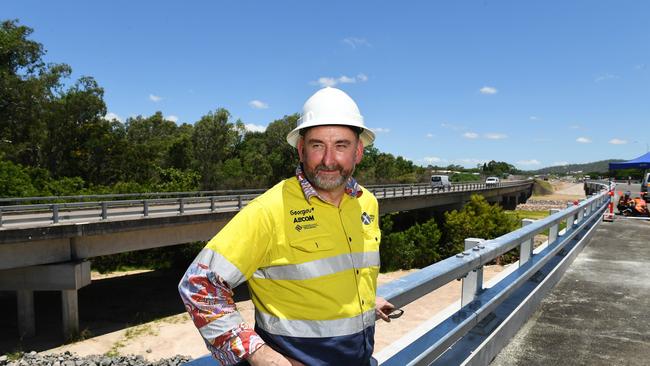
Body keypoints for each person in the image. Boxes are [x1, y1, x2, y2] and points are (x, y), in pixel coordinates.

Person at [178, 87, 395, 366]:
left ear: (358, 152)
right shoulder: (269, 210)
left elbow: (338, 269)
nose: (329, 160)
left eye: (341, 145)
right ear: (301, 150)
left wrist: (365, 301)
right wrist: (262, 356)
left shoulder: (367, 203)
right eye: (317, 145)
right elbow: (198, 286)